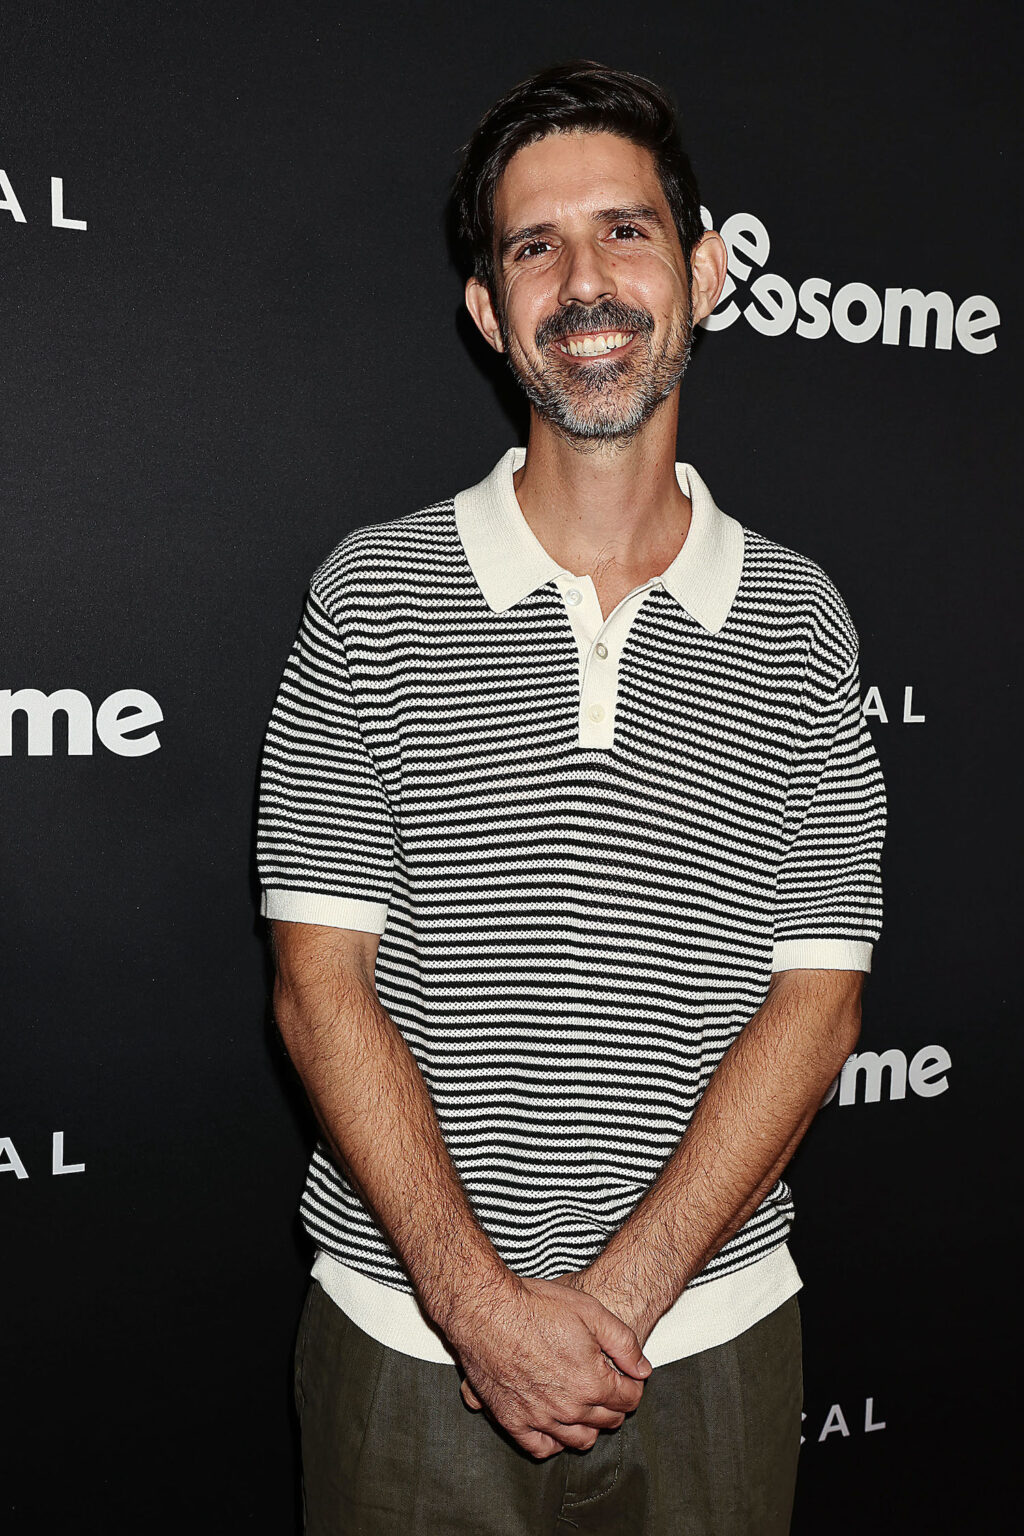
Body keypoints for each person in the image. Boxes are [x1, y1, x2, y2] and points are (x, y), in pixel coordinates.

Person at [256, 60, 887, 1536]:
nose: (584, 282)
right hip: (408, 1343)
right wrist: (479, 1310)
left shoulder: (802, 620)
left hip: (713, 1340)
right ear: (489, 310)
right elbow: (319, 985)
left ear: (706, 272)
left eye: (626, 231)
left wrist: (618, 1303)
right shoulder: (372, 594)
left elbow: (817, 1002)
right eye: (534, 247)